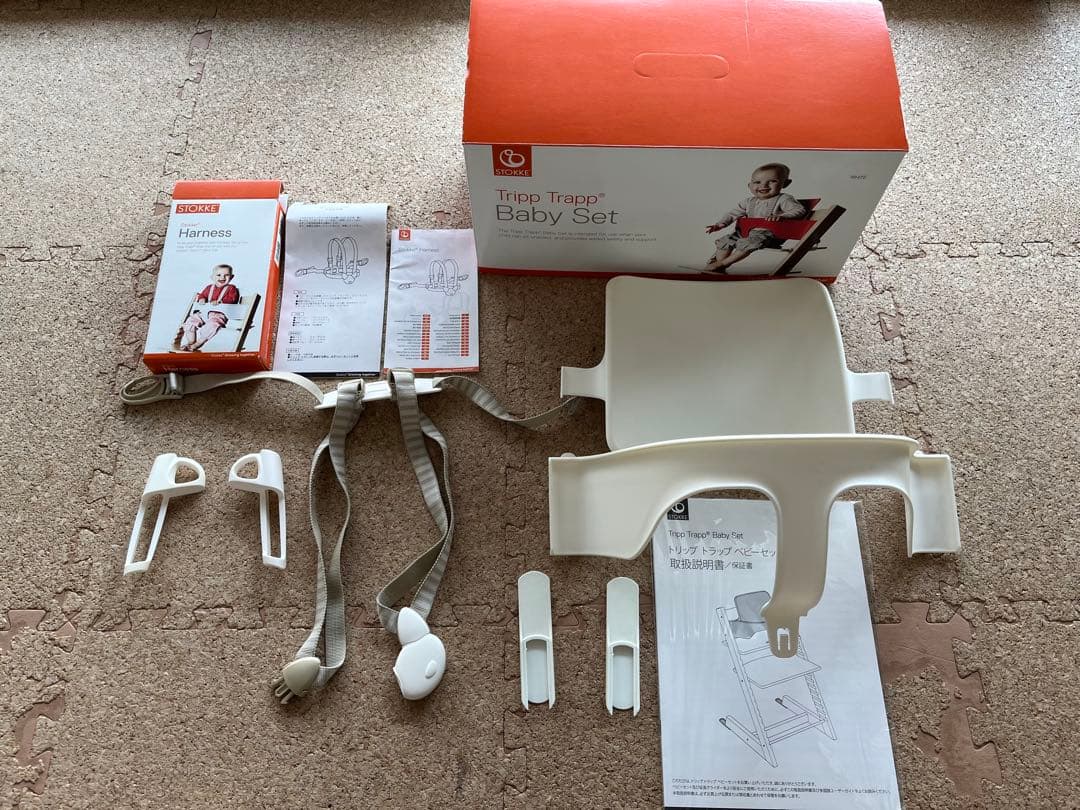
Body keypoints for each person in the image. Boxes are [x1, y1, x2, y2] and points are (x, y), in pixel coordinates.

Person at [705, 164, 807, 273]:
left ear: (785, 183)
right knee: (725, 240)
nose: (764, 185)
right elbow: (733, 213)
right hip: (746, 232)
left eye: (772, 181)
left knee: (748, 243)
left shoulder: (784, 199)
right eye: (757, 182)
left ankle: (723, 263)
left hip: (769, 234)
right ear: (749, 185)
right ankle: (719, 266)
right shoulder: (749, 201)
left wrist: (782, 216)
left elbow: (799, 210)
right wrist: (720, 224)